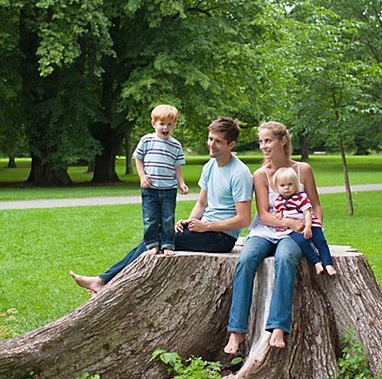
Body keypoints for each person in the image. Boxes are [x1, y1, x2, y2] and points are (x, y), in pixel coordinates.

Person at [70, 117, 253, 294]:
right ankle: (106, 282)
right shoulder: (210, 166)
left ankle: (105, 282)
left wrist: (207, 226)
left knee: (156, 237)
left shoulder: (240, 173)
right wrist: (189, 221)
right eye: (210, 139)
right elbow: (201, 203)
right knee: (155, 238)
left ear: (231, 145)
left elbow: (243, 220)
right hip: (205, 229)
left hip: (221, 238)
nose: (211, 144)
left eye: (218, 141)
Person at [224, 120, 329, 354]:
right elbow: (263, 214)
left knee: (284, 259)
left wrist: (313, 226)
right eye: (261, 141)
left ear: (283, 141)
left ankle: (278, 327)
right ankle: (237, 330)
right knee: (246, 259)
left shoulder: (303, 170)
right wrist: (287, 221)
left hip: (294, 234)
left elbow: (316, 205)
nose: (263, 146)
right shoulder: (261, 175)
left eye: (268, 140)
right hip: (265, 230)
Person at [134, 104, 188, 258]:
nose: (165, 128)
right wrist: (142, 176)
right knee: (150, 218)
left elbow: (177, 166)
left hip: (169, 189)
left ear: (174, 126)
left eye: (169, 124)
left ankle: (167, 244)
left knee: (168, 219)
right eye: (162, 124)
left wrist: (181, 183)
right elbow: (138, 158)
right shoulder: (147, 140)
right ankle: (152, 244)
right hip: (150, 189)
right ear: (154, 124)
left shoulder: (175, 145)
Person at [273, 167, 336, 276]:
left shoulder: (300, 197)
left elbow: (307, 213)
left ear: (296, 185)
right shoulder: (279, 200)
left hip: (310, 223)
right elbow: (278, 212)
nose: (287, 188)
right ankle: (316, 262)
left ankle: (328, 263)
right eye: (282, 185)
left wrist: (308, 227)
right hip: (293, 228)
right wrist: (279, 215)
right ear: (277, 187)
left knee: (320, 241)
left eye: (290, 184)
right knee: (302, 242)